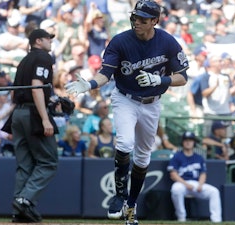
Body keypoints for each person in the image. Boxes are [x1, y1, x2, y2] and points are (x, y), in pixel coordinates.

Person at [65, 1, 189, 224]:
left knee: (143, 157)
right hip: (126, 99)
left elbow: (183, 76)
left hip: (152, 103)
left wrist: (160, 79)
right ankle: (119, 196)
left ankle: (131, 204)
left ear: (154, 21)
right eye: (135, 17)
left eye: (143, 19)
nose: (137, 22)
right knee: (124, 144)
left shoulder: (167, 41)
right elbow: (106, 73)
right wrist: (91, 84)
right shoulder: (121, 40)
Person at [10, 28, 57, 223]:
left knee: (25, 164)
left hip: (18, 113)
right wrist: (45, 118)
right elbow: (37, 87)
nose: (51, 42)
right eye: (48, 39)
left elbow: (18, 92)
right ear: (38, 41)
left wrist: (53, 102)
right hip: (33, 114)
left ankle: (19, 209)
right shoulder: (43, 57)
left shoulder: (24, 60)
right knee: (48, 161)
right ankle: (25, 200)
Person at [168, 131, 222, 223]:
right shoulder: (176, 156)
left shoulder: (199, 157)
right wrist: (185, 184)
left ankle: (216, 220)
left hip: (196, 184)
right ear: (182, 142)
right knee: (175, 189)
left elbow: (203, 173)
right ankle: (181, 218)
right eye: (186, 140)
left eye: (190, 140)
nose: (188, 142)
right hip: (182, 183)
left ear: (194, 142)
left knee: (214, 192)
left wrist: (200, 185)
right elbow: (173, 175)